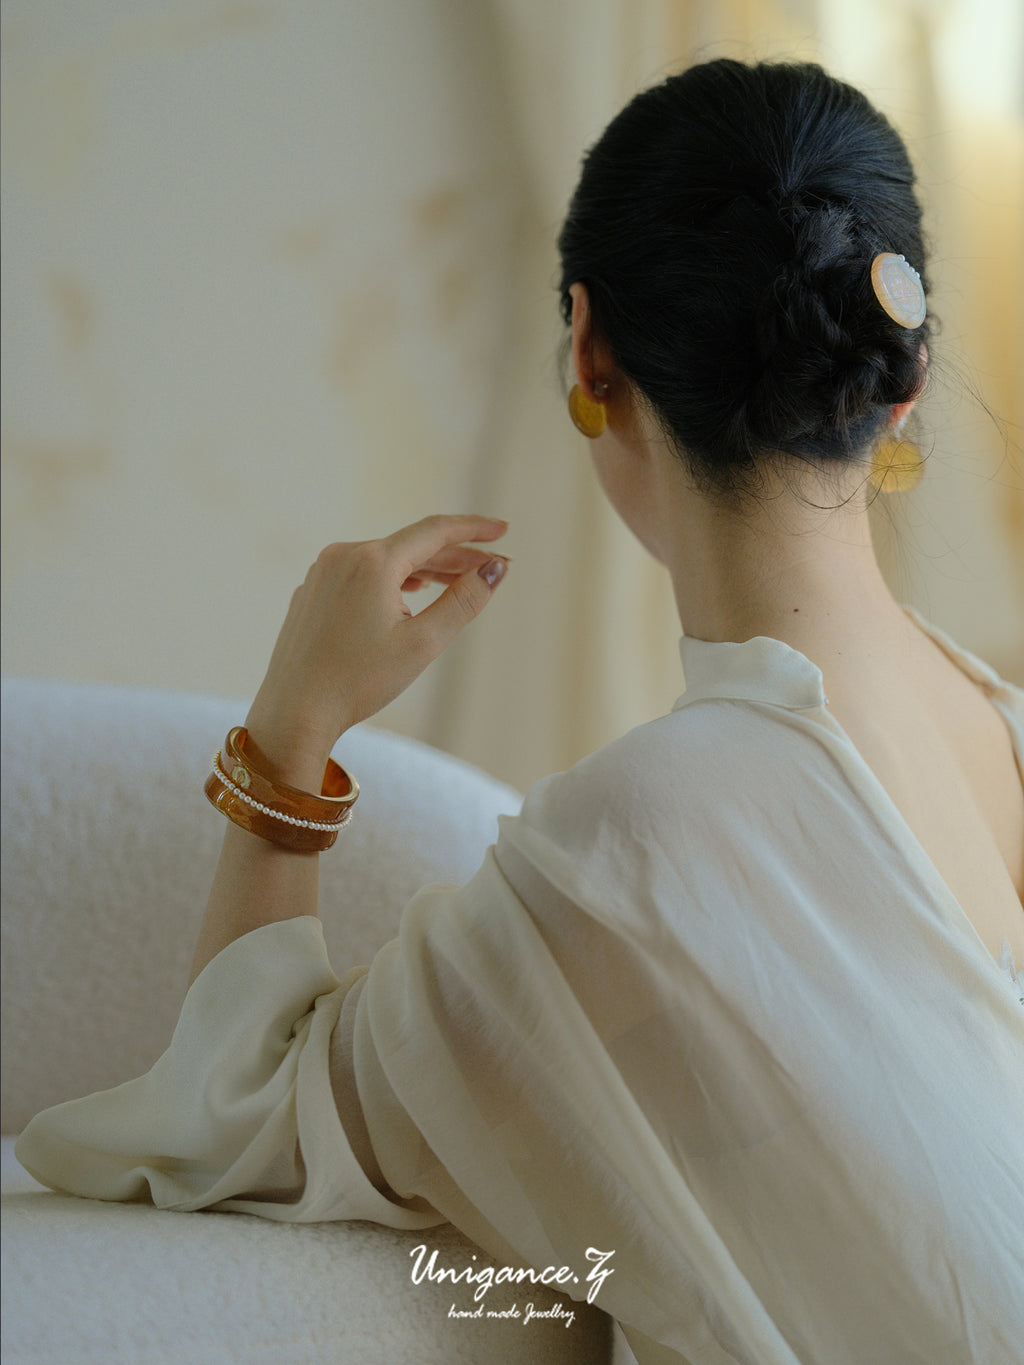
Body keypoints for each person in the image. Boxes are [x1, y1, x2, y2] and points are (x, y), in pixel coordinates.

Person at [15, 59, 1024, 1365]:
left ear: (590, 348)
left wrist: (294, 724)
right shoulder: (1002, 728)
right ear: (906, 375)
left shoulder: (643, 840)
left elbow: (232, 1117)